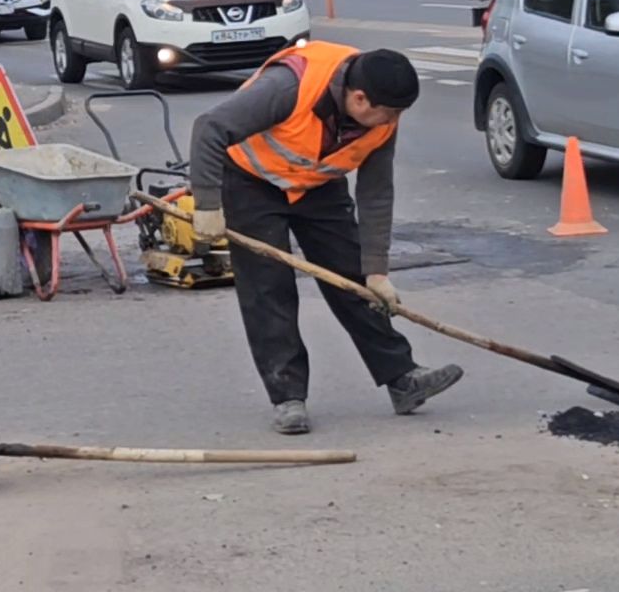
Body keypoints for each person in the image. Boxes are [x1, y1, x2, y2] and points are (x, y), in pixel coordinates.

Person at [187, 43, 463, 435]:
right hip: (250, 180)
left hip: (318, 184)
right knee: (268, 287)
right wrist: (208, 205)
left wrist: (377, 271)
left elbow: (376, 194)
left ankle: (403, 379)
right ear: (359, 97)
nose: (392, 121)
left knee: (352, 279)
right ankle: (288, 398)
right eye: (389, 112)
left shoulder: (382, 118)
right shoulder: (288, 86)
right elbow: (209, 127)